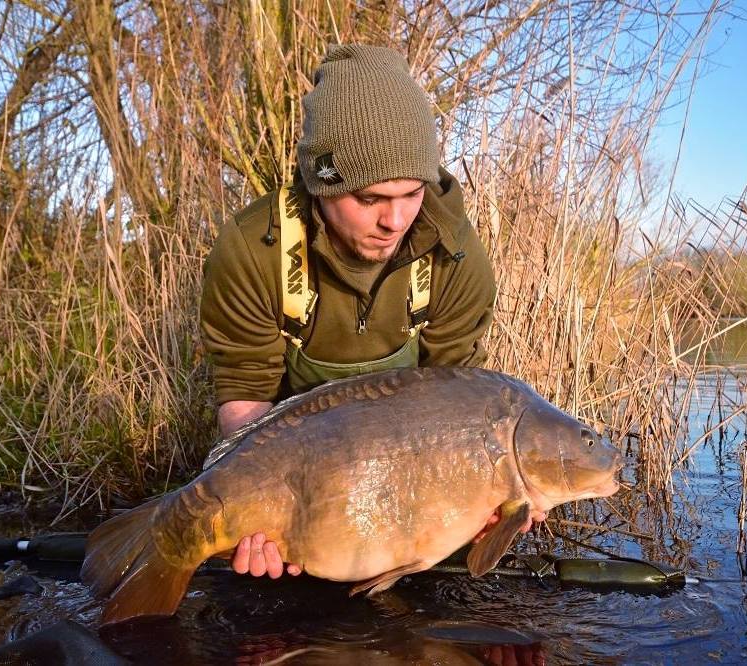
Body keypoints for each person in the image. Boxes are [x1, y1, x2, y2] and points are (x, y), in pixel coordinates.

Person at [199, 44, 543, 580]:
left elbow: (461, 401)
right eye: (369, 199)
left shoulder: (454, 253)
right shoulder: (254, 249)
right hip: (299, 479)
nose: (395, 220)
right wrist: (260, 513)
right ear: (321, 183)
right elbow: (246, 396)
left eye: (412, 193)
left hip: (409, 483)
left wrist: (489, 501)